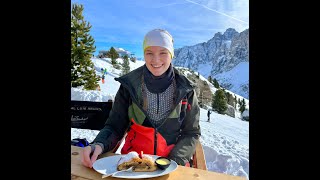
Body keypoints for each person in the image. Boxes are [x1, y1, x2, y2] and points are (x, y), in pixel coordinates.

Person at [80, 29, 201, 168]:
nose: (156, 60)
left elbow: (191, 132)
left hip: (171, 164)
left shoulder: (185, 90)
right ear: (143, 54)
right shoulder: (129, 86)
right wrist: (99, 145)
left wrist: (175, 160)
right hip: (132, 163)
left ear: (171, 55)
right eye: (149, 53)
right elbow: (115, 126)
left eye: (163, 53)